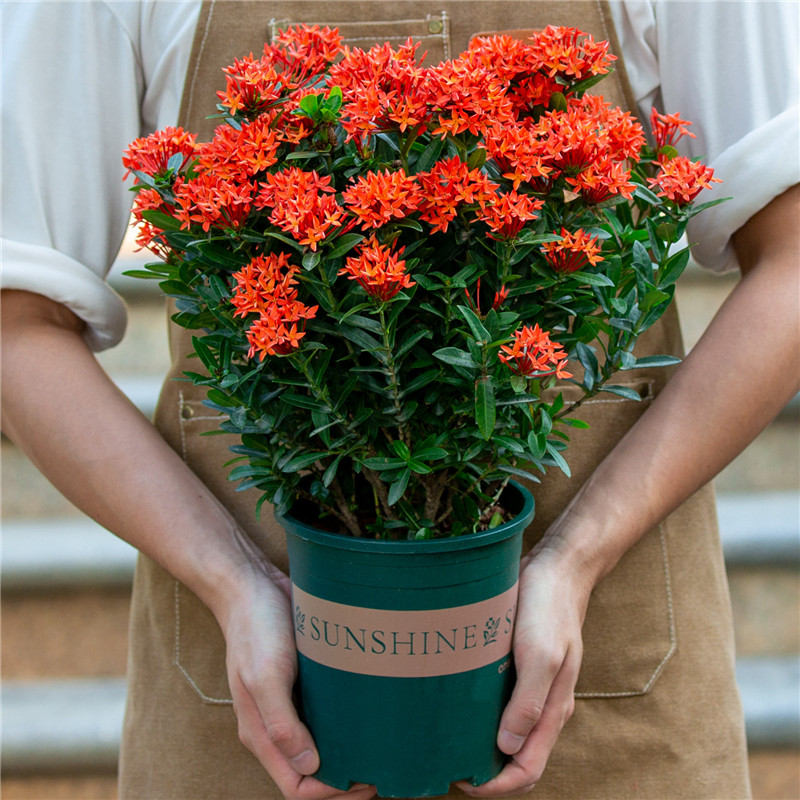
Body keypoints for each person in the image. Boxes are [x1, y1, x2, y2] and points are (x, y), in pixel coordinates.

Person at [2, 2, 798, 798]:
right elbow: (16, 323)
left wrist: (579, 555)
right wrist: (233, 583)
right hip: (257, 693)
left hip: (616, 676)